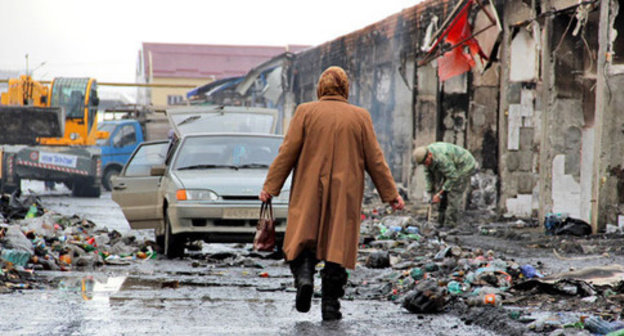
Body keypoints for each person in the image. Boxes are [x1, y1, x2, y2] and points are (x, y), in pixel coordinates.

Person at [259, 66, 404, 321]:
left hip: (308, 190)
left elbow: (287, 153)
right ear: (345, 87)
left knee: (303, 238)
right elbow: (375, 160)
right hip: (344, 193)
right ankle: (330, 306)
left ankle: (304, 277)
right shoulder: (360, 116)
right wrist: (391, 194)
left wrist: (270, 187)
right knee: (337, 246)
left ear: (321, 88)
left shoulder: (305, 112)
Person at [413, 142, 476, 228]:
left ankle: (450, 224)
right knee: (442, 191)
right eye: (423, 164)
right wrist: (430, 191)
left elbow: (453, 177)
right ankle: (440, 221)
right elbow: (428, 174)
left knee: (453, 193)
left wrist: (439, 194)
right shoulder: (426, 159)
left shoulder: (441, 158)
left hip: (464, 165)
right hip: (451, 167)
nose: (425, 164)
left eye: (426, 162)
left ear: (430, 155)